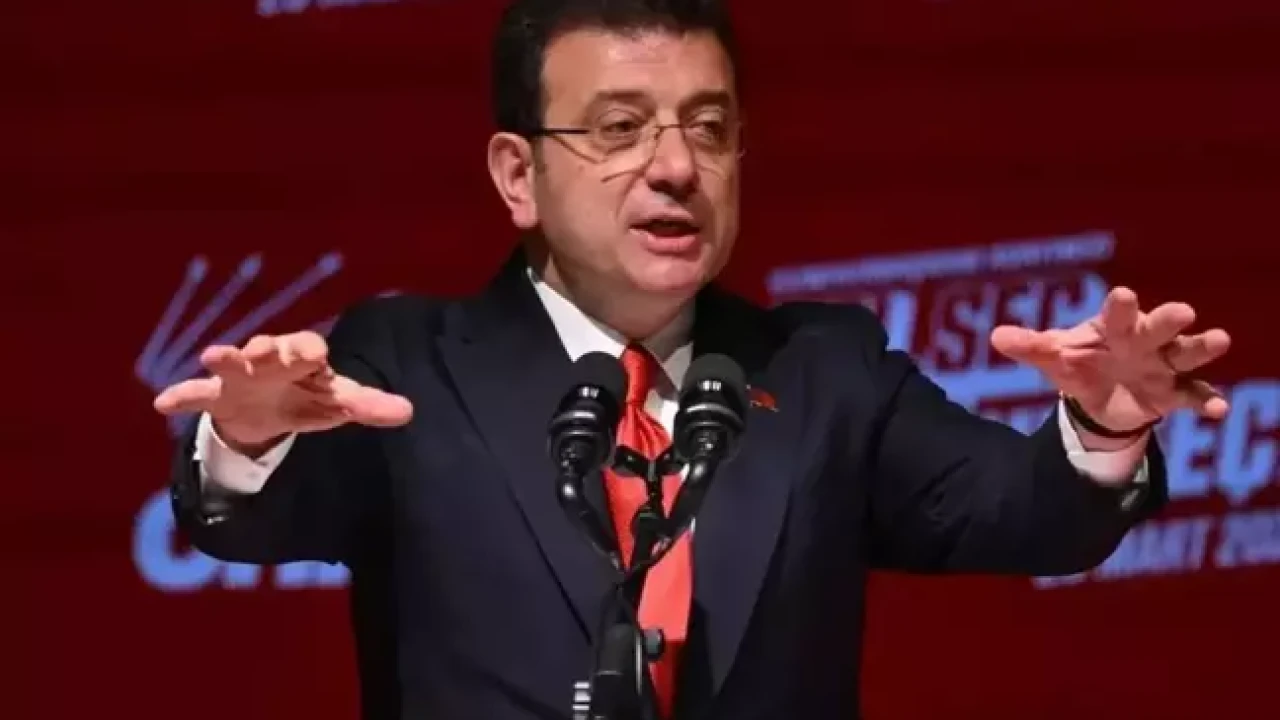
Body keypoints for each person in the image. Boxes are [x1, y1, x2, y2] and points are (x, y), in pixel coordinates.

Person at [153, 0, 1233, 718]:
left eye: (709, 128)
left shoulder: (822, 371)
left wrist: (1102, 426)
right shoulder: (409, 365)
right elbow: (257, 518)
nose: (675, 166)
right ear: (518, 175)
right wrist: (245, 440)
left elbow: (1026, 513)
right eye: (618, 129)